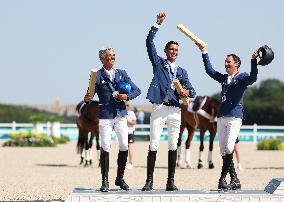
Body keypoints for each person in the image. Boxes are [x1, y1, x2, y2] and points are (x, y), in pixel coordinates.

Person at [142, 12, 196, 192]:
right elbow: (149, 44)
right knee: (154, 142)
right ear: (166, 51)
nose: (173, 52)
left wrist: (188, 92)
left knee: (174, 143)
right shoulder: (158, 64)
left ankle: (170, 181)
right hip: (159, 107)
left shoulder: (182, 71)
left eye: (176, 50)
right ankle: (149, 181)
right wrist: (156, 25)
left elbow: (192, 91)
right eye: (171, 49)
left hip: (175, 109)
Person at [197, 43, 259, 190]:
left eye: (228, 62)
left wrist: (253, 61)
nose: (226, 64)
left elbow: (253, 78)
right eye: (225, 62)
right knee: (223, 151)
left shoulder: (242, 77)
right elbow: (210, 71)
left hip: (235, 117)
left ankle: (222, 179)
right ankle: (235, 179)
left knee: (230, 147)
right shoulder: (224, 78)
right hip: (221, 117)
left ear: (236, 64)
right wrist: (204, 52)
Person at [84, 47, 141, 192]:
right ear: (102, 59)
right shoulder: (96, 75)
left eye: (114, 55)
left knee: (124, 146)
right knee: (105, 146)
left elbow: (137, 90)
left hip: (121, 115)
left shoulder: (122, 73)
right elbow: (88, 95)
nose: (112, 58)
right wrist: (87, 98)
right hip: (105, 116)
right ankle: (104, 181)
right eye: (109, 56)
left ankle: (120, 178)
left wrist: (126, 97)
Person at [125, 103, 137, 169]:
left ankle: (130, 162)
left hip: (130, 132)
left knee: (130, 148)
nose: (126, 106)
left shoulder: (131, 113)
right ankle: (123, 162)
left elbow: (134, 123)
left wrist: (127, 121)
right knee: (123, 147)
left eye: (127, 105)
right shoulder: (120, 112)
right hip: (123, 133)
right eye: (125, 105)